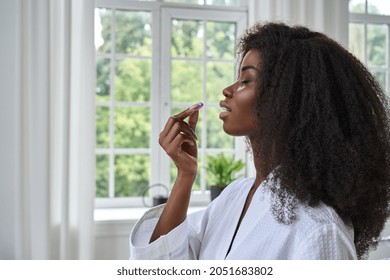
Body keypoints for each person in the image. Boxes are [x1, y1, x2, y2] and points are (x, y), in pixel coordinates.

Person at [129, 22, 390, 260]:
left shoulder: (319, 231)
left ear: (287, 99)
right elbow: (161, 264)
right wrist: (185, 175)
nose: (228, 90)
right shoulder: (234, 197)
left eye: (246, 80)